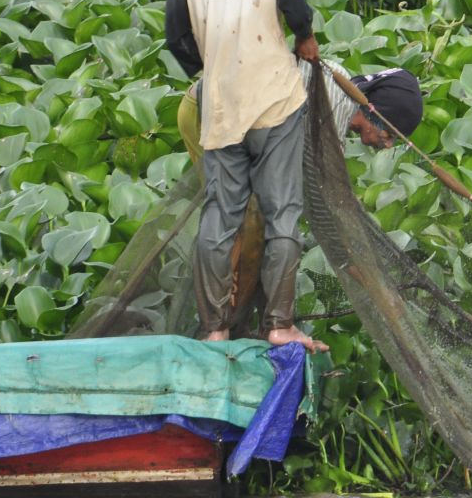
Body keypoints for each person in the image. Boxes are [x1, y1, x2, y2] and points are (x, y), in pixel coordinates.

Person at [164, 0, 323, 351]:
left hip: (220, 103)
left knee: (220, 215)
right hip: (275, 96)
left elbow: (176, 37)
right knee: (282, 213)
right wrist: (305, 38)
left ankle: (215, 328)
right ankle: (279, 324)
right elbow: (294, 2)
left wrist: (212, 71)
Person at [176, 61, 424, 339]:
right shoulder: (328, 113)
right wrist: (372, 283)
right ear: (373, 112)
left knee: (263, 218)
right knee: (246, 220)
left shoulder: (340, 92)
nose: (387, 145)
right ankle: (219, 331)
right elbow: (322, 210)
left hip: (244, 127)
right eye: (389, 135)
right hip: (207, 112)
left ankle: (240, 325)